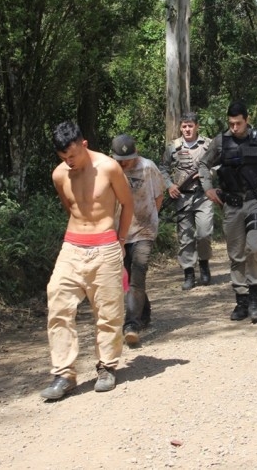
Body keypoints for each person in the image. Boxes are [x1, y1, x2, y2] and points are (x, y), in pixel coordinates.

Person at [42, 121, 134, 400]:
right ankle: (64, 373)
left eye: (72, 155)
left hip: (105, 244)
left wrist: (119, 241)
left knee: (108, 310)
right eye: (63, 157)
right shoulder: (59, 174)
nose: (68, 162)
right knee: (57, 301)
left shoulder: (108, 167)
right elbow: (70, 208)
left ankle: (106, 367)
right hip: (72, 245)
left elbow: (127, 204)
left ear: (84, 144)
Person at [198, 101, 257, 324]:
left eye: (238, 123)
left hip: (254, 202)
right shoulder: (220, 142)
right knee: (236, 253)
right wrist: (207, 188)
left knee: (256, 248)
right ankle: (241, 299)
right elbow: (203, 164)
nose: (234, 127)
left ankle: (255, 299)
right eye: (231, 123)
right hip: (231, 204)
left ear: (247, 119)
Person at [111, 134, 165, 346]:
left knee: (138, 271)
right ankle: (144, 313)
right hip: (119, 232)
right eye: (121, 161)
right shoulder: (110, 170)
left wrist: (151, 219)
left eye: (129, 159)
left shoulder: (148, 167)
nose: (125, 164)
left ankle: (131, 325)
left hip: (144, 229)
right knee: (129, 277)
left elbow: (159, 195)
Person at [159, 112, 214, 290]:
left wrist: (206, 173)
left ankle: (204, 265)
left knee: (204, 233)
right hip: (182, 197)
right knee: (185, 236)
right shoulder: (173, 146)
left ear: (197, 126)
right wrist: (169, 185)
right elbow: (163, 168)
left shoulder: (208, 144)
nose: (187, 129)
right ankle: (188, 272)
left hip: (203, 195)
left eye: (190, 126)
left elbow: (220, 164)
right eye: (184, 126)